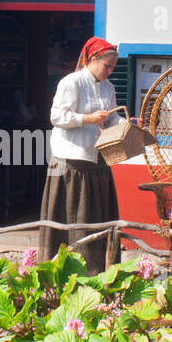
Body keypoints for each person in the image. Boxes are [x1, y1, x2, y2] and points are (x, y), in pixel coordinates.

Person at [37, 36, 120, 274]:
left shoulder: (108, 87)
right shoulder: (71, 82)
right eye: (107, 66)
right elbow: (57, 118)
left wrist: (127, 123)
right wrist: (88, 119)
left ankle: (97, 272)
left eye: (114, 67)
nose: (110, 71)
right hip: (70, 162)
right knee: (69, 218)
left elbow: (111, 117)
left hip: (98, 160)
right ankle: (61, 271)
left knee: (96, 221)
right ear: (93, 59)